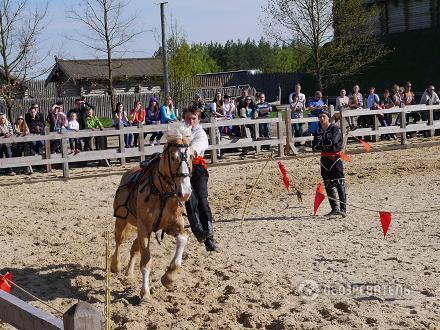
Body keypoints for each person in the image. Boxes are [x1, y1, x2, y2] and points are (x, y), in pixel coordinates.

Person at [183, 107, 219, 252]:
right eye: (188, 118)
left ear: (198, 119)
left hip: (197, 168)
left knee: (202, 200)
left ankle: (209, 236)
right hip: (182, 168)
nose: (190, 121)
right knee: (190, 201)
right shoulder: (179, 131)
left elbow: (196, 147)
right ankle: (198, 230)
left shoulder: (200, 133)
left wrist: (186, 151)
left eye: (193, 118)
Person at [312, 109, 346, 218]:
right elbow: (314, 146)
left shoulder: (335, 128)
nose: (322, 119)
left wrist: (323, 144)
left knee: (339, 184)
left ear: (328, 117)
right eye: (320, 117)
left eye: (324, 116)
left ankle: (343, 209)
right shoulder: (318, 131)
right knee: (328, 184)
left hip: (335, 158)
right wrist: (324, 144)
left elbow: (333, 142)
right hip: (324, 159)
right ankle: (334, 208)